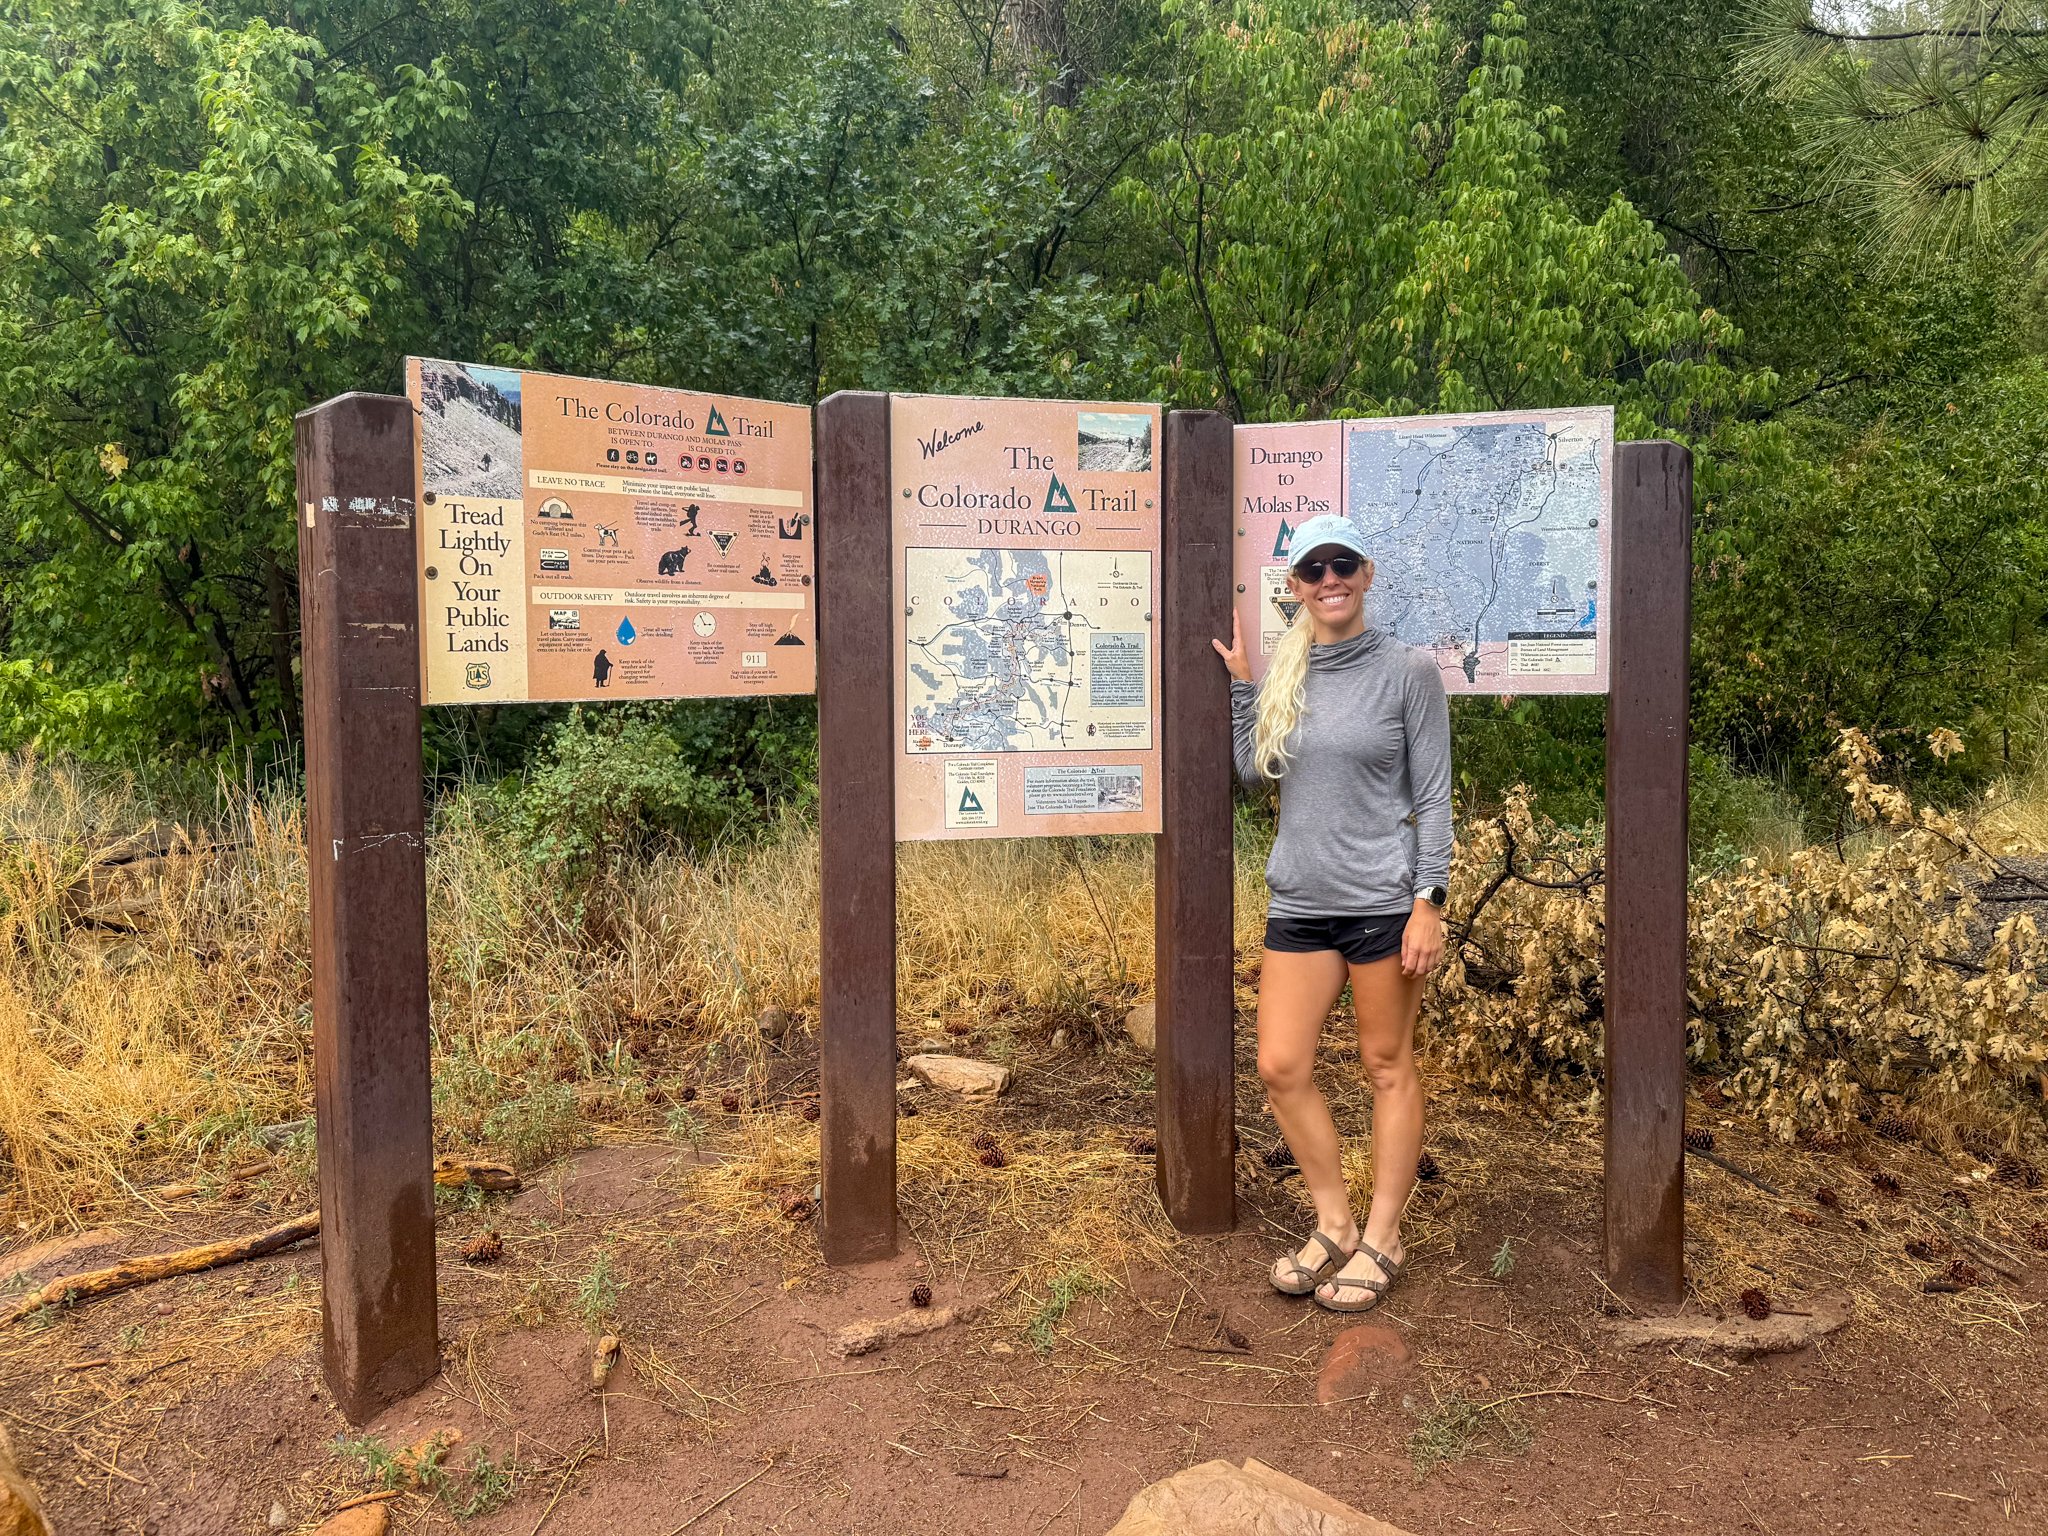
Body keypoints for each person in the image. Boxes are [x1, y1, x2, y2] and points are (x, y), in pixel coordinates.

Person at [1212, 514, 1451, 1313]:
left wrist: (1430, 901)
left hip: (1384, 905)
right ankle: (1335, 1222)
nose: (1328, 580)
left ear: (1366, 573)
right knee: (1281, 1065)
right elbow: (1254, 769)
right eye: (1313, 570)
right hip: (1301, 903)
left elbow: (1434, 796)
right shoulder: (1291, 668)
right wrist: (1247, 686)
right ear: (1297, 587)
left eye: (1341, 564)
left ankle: (1384, 1235)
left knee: (1387, 1067)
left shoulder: (1408, 671)